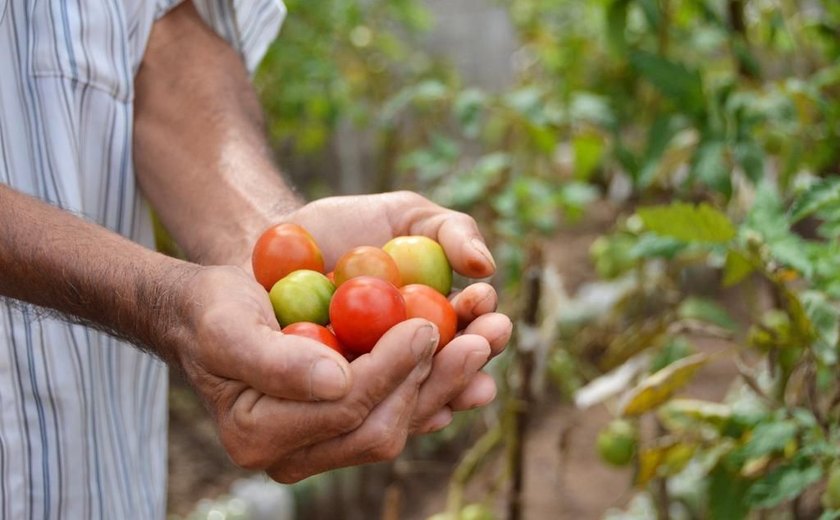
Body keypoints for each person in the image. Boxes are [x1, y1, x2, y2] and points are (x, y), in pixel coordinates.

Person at [0, 0, 512, 518]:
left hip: (105, 477)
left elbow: (160, 39)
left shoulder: (347, 289)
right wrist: (159, 299)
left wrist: (259, 239)